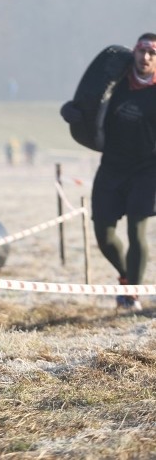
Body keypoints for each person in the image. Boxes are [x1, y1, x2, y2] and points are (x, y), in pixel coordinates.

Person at [60, 32, 156, 310]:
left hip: (148, 169)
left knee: (136, 229)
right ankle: (126, 275)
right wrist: (71, 112)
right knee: (103, 232)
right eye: (142, 50)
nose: (146, 56)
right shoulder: (113, 84)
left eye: (152, 53)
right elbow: (88, 106)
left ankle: (132, 295)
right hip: (112, 165)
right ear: (134, 53)